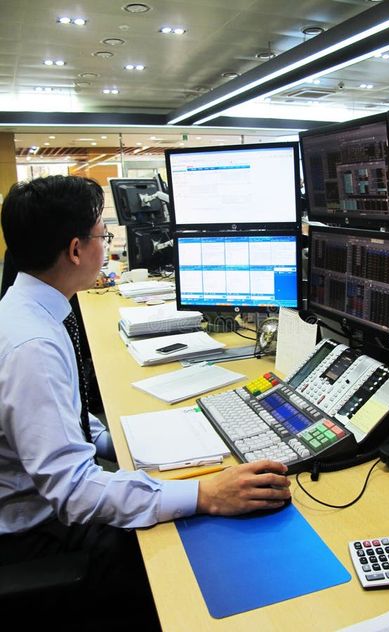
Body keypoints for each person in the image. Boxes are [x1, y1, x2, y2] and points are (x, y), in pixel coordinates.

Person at [0, 175, 291, 630]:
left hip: (33, 504)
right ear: (76, 250)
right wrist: (206, 494)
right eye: (103, 235)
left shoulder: (24, 310)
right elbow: (74, 494)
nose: (107, 243)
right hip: (31, 534)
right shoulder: (33, 345)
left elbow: (54, 422)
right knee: (178, 558)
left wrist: (111, 439)